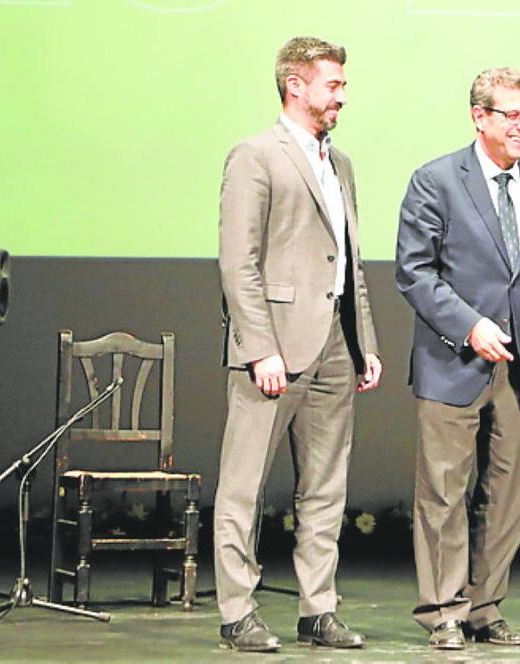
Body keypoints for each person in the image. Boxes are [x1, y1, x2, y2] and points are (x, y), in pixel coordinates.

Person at [395, 66, 520, 651]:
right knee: (444, 494)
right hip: (453, 361)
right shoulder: (436, 180)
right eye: (512, 115)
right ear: (480, 116)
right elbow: (415, 273)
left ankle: (484, 606)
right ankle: (444, 610)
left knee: (505, 497)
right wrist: (469, 327)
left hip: (517, 366)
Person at [214, 36, 382, 653]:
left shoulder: (341, 164)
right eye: (333, 84)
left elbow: (350, 261)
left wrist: (364, 340)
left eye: (341, 84)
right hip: (275, 345)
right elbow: (239, 264)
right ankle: (237, 611)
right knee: (244, 485)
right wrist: (260, 347)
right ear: (296, 85)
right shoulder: (255, 155)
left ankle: (318, 609)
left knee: (325, 486)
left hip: (334, 344)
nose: (342, 94)